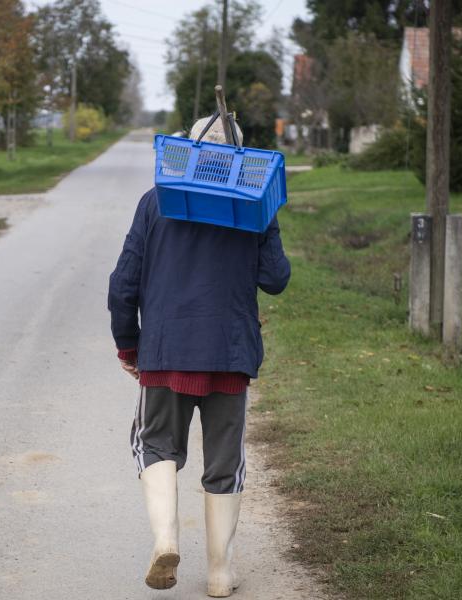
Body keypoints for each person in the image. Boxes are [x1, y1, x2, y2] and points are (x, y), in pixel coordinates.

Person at [107, 116, 291, 597]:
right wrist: (266, 220)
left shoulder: (155, 202)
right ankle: (219, 573)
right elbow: (276, 279)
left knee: (154, 445)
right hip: (229, 356)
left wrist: (129, 344)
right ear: (240, 160)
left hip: (166, 353)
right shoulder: (253, 208)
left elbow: (123, 283)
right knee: (225, 463)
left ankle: (166, 538)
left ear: (188, 150)